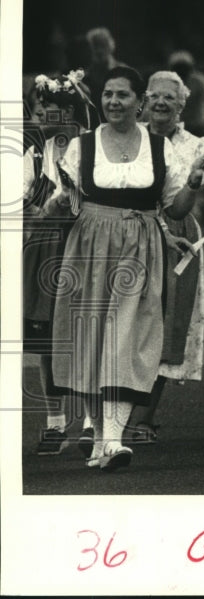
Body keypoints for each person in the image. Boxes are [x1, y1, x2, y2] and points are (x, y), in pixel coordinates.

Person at [48, 66, 204, 471]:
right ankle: (101, 438)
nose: (113, 102)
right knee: (90, 341)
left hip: (140, 249)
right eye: (108, 94)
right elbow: (62, 203)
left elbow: (174, 207)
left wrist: (193, 182)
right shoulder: (82, 147)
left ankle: (113, 439)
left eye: (122, 95)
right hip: (89, 246)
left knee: (128, 338)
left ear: (138, 102)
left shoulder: (159, 148)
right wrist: (57, 200)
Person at [125, 70, 204, 444]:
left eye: (171, 97)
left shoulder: (199, 145)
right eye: (155, 97)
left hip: (179, 241)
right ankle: (114, 417)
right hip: (129, 237)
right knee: (127, 327)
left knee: (168, 329)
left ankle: (143, 419)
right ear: (144, 102)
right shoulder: (126, 138)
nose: (162, 103)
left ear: (183, 104)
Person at [22, 70, 92, 455]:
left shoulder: (94, 149)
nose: (39, 113)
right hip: (45, 248)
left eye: (46, 106)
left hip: (85, 245)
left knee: (87, 330)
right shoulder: (35, 155)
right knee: (46, 337)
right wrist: (37, 207)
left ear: (68, 110)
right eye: (39, 106)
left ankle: (91, 420)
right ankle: (53, 420)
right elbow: (19, 203)